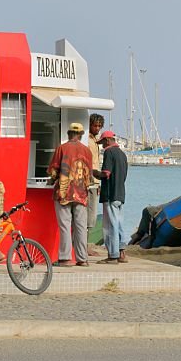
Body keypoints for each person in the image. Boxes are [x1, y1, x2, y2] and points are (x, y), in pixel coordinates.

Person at [48, 122, 92, 266]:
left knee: (65, 225)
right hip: (81, 194)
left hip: (64, 193)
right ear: (80, 135)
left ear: (68, 134)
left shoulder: (61, 148)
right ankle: (82, 259)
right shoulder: (87, 151)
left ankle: (65, 258)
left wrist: (51, 180)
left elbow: (54, 171)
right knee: (80, 227)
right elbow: (89, 175)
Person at [92, 130, 128, 264]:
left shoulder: (109, 152)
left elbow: (106, 173)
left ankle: (112, 255)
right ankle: (122, 253)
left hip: (110, 194)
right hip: (120, 193)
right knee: (119, 224)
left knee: (110, 226)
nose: (102, 146)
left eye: (102, 142)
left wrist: (94, 172)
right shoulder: (123, 155)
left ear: (107, 140)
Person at [86, 114, 104, 256]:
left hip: (94, 182)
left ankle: (85, 245)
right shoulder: (88, 140)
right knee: (89, 215)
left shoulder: (95, 141)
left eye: (99, 126)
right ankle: (84, 246)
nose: (97, 128)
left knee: (91, 215)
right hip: (89, 181)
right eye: (95, 125)